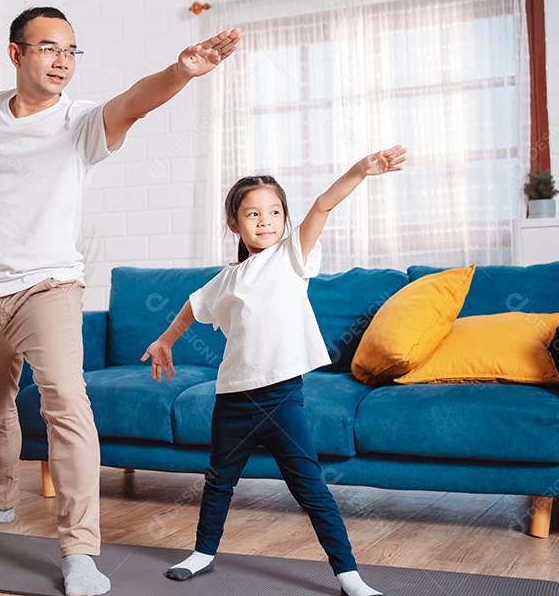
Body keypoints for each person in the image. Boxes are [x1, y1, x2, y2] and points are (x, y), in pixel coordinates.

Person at [0, 6, 241, 596]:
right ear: (16, 53)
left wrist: (180, 72)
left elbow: (133, 103)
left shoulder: (78, 121)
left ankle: (79, 550)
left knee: (67, 407)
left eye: (71, 51)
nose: (62, 61)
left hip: (49, 286)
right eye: (49, 48)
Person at [142, 145, 408, 596]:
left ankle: (349, 576)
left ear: (285, 218)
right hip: (232, 400)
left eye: (274, 212)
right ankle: (203, 553)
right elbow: (191, 306)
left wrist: (360, 171)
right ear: (234, 223)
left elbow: (322, 204)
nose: (265, 221)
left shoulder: (291, 256)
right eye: (252, 214)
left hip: (281, 399)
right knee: (218, 481)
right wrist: (165, 341)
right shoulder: (226, 278)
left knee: (311, 489)